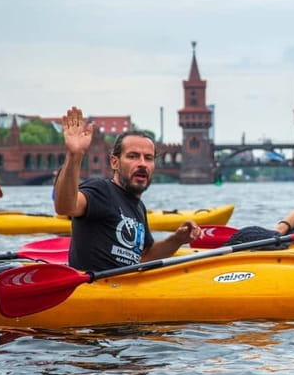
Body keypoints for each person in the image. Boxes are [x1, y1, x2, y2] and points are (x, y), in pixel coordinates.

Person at [55, 106, 203, 272]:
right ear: (114, 162)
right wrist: (74, 155)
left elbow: (144, 256)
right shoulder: (101, 190)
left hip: (125, 286)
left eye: (148, 158)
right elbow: (65, 207)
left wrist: (177, 239)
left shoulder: (138, 207)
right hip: (94, 290)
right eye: (133, 156)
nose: (142, 163)